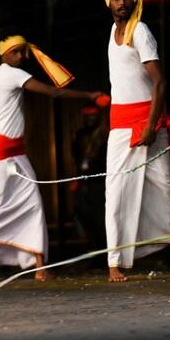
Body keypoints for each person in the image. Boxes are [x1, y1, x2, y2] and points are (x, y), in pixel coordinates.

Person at [0, 34, 100, 283]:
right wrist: (88, 96)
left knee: (33, 203)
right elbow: (51, 93)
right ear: (5, 54)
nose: (24, 57)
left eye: (24, 52)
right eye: (19, 52)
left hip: (14, 152)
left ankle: (39, 266)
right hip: (1, 152)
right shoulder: (10, 74)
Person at [103, 0, 170, 282]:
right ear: (109, 4)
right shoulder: (113, 32)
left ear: (134, 0)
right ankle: (114, 264)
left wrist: (149, 126)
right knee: (116, 190)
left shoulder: (140, 31)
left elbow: (160, 82)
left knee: (165, 186)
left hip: (149, 123)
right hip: (121, 126)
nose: (121, 3)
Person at [70, 104, 109, 260]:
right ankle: (93, 254)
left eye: (93, 116)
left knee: (100, 218)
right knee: (84, 217)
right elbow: (77, 159)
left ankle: (103, 255)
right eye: (87, 116)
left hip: (100, 182)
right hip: (83, 181)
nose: (90, 119)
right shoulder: (79, 135)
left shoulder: (103, 135)